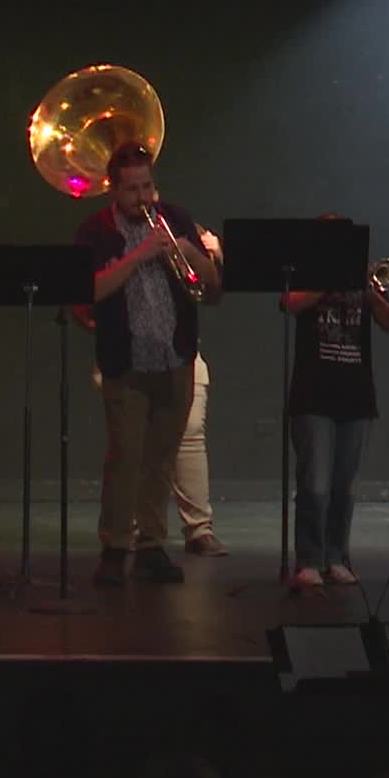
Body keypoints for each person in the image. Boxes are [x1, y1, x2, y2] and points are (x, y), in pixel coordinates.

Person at [74, 143, 221, 586]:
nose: (143, 198)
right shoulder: (95, 231)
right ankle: (115, 547)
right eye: (132, 189)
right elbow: (88, 291)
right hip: (126, 362)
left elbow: (212, 288)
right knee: (124, 458)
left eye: (147, 187)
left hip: (175, 358)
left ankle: (152, 546)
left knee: (161, 458)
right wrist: (139, 255)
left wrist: (188, 251)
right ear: (113, 191)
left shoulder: (175, 218)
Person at [282, 219, 389, 592]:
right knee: (315, 483)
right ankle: (308, 561)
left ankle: (336, 557)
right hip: (313, 394)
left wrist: (369, 292)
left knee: (344, 486)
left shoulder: (364, 280)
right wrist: (331, 280)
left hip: (356, 395)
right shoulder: (305, 274)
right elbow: (290, 303)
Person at [176, 226, 226, 556]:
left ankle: (199, 529)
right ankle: (131, 530)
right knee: (134, 444)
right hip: (130, 352)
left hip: (182, 350)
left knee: (191, 438)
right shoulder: (110, 230)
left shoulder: (182, 226)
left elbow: (210, 292)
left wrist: (215, 256)